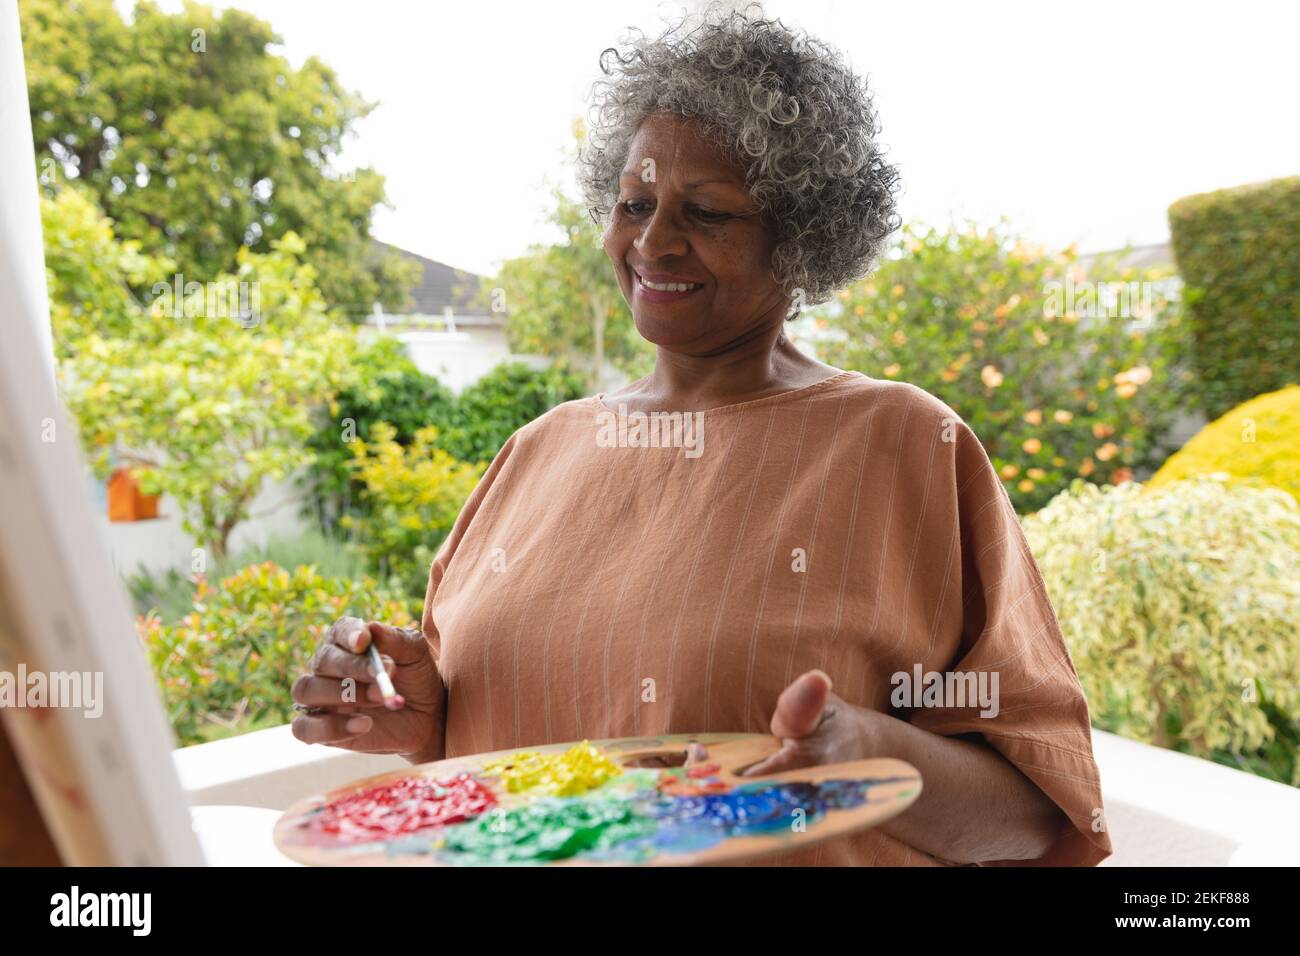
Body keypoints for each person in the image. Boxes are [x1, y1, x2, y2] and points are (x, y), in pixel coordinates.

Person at [292, 4, 1112, 866]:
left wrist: (868, 753)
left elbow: (1041, 815)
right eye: (635, 203)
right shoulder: (538, 451)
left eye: (707, 213)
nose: (653, 242)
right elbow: (510, 773)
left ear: (800, 238)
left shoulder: (904, 443)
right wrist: (423, 723)